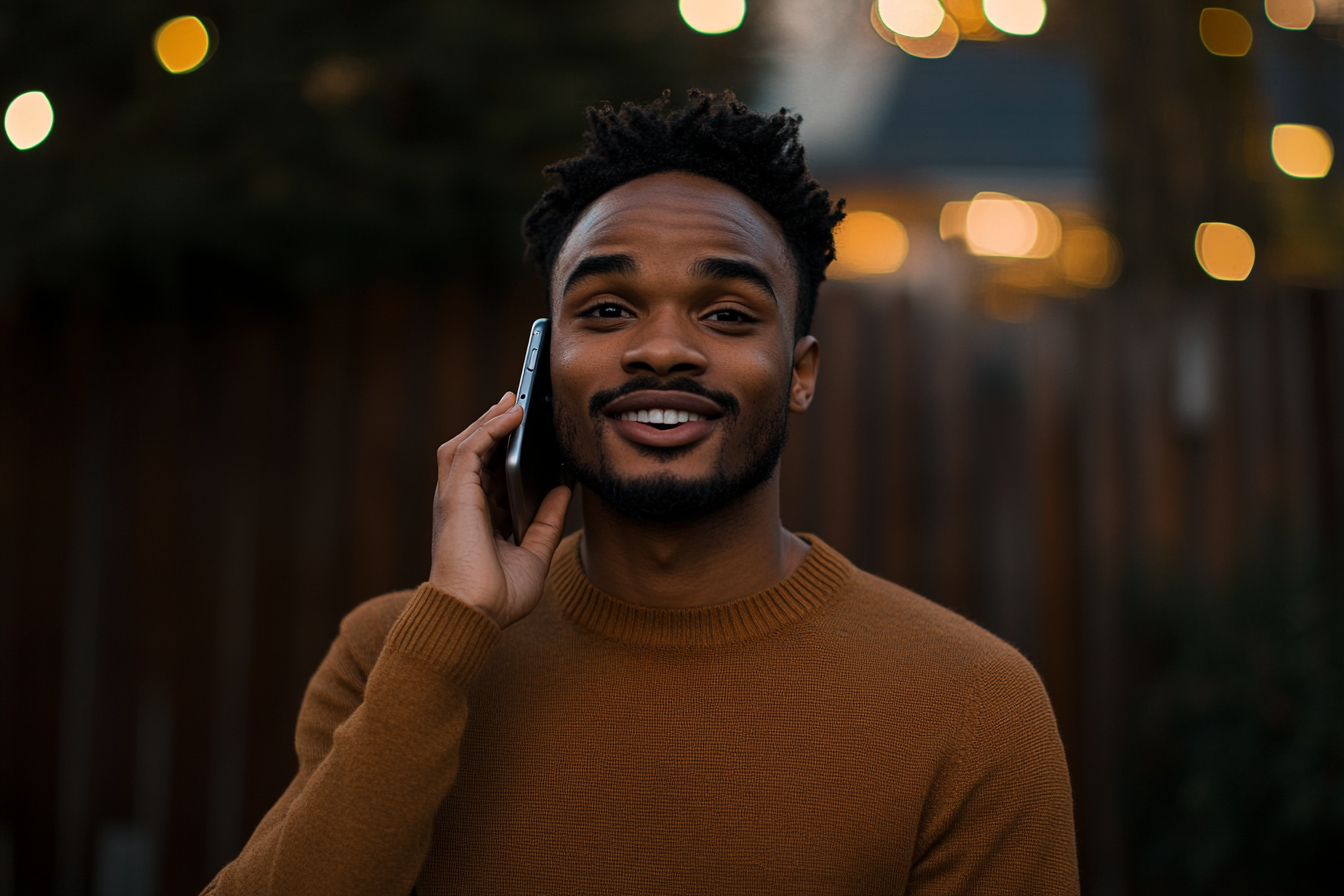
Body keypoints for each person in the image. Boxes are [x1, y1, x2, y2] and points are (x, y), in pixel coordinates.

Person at [203, 90, 1079, 895]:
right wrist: (451, 634)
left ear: (801, 373)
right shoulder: (393, 656)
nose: (663, 349)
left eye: (728, 314)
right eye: (609, 311)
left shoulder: (972, 704)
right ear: (546, 369)